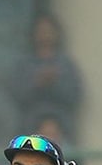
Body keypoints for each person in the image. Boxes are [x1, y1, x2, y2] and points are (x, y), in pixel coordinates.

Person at [9, 13, 83, 142]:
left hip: (62, 126)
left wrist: (55, 83)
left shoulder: (65, 64)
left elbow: (74, 95)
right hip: (29, 126)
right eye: (41, 31)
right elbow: (16, 94)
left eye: (48, 31)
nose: (45, 35)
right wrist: (37, 83)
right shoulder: (24, 64)